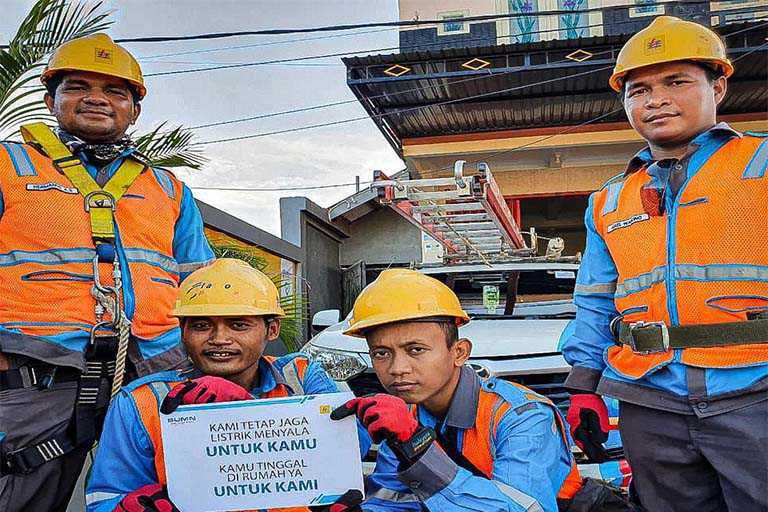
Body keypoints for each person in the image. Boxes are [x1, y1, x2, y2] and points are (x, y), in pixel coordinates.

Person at [561, 15, 768, 512]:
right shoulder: (609, 200)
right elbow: (594, 302)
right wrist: (584, 387)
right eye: (638, 90)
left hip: (755, 393)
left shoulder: (760, 167)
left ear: (717, 86)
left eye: (676, 82)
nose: (655, 99)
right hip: (649, 402)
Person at [0, 33, 214, 511]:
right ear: (49, 98)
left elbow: (201, 285)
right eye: (78, 86)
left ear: (134, 110)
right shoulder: (5, 165)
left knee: (175, 495)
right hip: (35, 372)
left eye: (115, 91)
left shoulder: (167, 188)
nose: (97, 98)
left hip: (153, 371)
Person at [85, 258, 370, 512]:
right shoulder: (142, 402)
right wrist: (131, 507)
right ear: (182, 332)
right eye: (201, 325)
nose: (219, 338)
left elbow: (351, 448)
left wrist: (247, 406)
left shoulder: (302, 376)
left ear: (272, 329)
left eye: (238, 325)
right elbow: (106, 498)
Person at [331, 268, 586, 512]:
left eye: (415, 350)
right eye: (381, 353)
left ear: (459, 352)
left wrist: (417, 447)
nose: (397, 368)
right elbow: (398, 499)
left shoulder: (523, 416)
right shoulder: (406, 417)